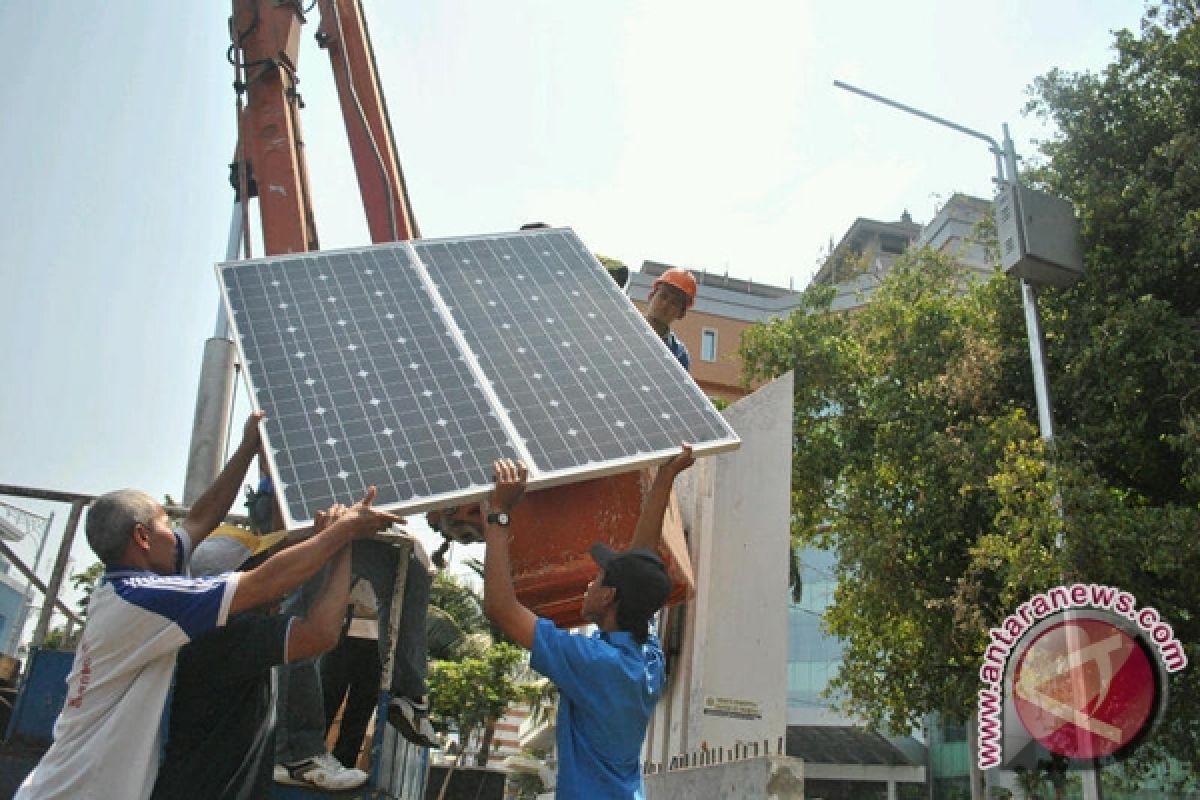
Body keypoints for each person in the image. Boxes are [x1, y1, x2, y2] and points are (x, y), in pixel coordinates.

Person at [14, 412, 400, 800]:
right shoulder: (146, 599)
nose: (180, 535)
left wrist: (249, 446)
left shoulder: (128, 589)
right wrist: (341, 534)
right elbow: (264, 585)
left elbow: (201, 519)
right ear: (142, 537)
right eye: (167, 524)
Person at [480, 445, 695, 799]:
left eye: (596, 579)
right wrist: (664, 480)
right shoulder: (646, 660)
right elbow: (639, 560)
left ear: (609, 597)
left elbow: (501, 608)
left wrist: (500, 514)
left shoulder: (596, 663)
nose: (588, 583)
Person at [150, 501, 374, 800]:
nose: (273, 577)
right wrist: (341, 543)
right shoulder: (229, 636)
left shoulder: (201, 629)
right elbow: (321, 633)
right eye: (260, 568)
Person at [274, 517, 438, 789]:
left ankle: (407, 695)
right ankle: (295, 754)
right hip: (314, 519)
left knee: (409, 567)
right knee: (306, 620)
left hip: (370, 642)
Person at [320, 577, 382, 772]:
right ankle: (311, 754)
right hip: (343, 628)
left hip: (378, 638)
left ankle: (343, 764)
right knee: (327, 697)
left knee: (361, 706)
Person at [644, 267, 697, 371]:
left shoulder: (679, 355)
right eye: (663, 296)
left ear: (681, 314)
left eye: (674, 303)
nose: (665, 304)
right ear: (651, 296)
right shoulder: (624, 324)